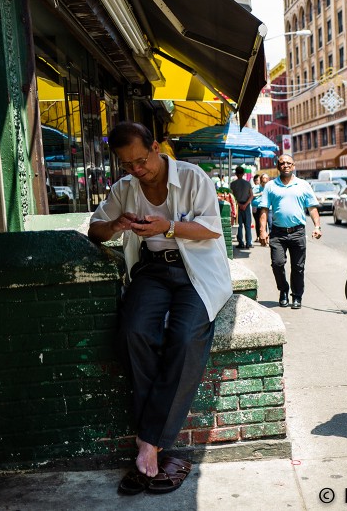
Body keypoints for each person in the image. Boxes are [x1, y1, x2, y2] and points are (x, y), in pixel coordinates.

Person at [88, 121, 231, 494]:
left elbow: (211, 229)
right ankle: (156, 439)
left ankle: (148, 442)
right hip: (152, 271)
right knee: (132, 332)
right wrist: (116, 224)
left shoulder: (193, 177)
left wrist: (169, 228)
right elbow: (94, 229)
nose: (136, 170)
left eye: (140, 160)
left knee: (184, 338)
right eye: (126, 165)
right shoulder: (125, 189)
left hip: (194, 269)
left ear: (154, 147)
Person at [259, 155, 322, 310]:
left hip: (297, 232)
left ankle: (297, 296)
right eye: (282, 163)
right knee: (277, 264)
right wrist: (262, 230)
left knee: (298, 267)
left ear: (293, 166)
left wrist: (317, 226)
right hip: (278, 233)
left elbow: (312, 207)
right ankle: (283, 290)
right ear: (278, 167)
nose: (285, 165)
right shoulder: (271, 186)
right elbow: (264, 209)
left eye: (288, 163)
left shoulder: (303, 185)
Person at [230, 165, 254, 249]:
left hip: (237, 205)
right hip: (246, 206)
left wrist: (239, 205)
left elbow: (232, 196)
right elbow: (251, 196)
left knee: (239, 225)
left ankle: (241, 242)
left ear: (236, 173)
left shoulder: (233, 184)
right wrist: (245, 204)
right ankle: (248, 243)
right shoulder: (247, 183)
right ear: (243, 173)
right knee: (247, 225)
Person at [252, 173, 270, 243]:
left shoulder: (268, 187)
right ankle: (258, 236)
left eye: (266, 179)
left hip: (265, 207)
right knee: (258, 222)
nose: (264, 181)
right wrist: (259, 194)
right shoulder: (256, 187)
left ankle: (265, 236)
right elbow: (251, 195)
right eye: (263, 179)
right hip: (256, 207)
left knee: (265, 222)